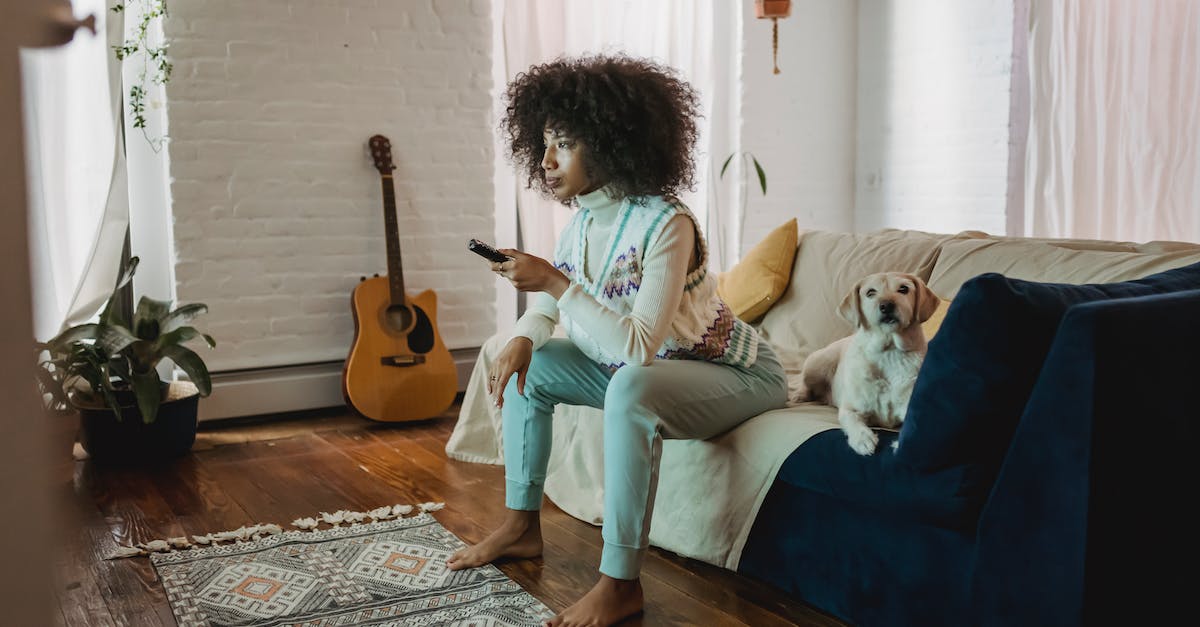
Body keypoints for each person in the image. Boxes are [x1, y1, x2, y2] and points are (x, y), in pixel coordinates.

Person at [446, 54, 788, 627]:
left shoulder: (666, 223)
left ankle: (620, 583)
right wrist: (526, 334)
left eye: (566, 145)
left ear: (610, 143)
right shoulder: (582, 220)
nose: (547, 160)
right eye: (545, 143)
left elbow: (637, 349)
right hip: (652, 370)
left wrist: (553, 279)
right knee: (537, 364)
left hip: (738, 376)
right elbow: (556, 301)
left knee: (630, 385)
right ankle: (521, 526)